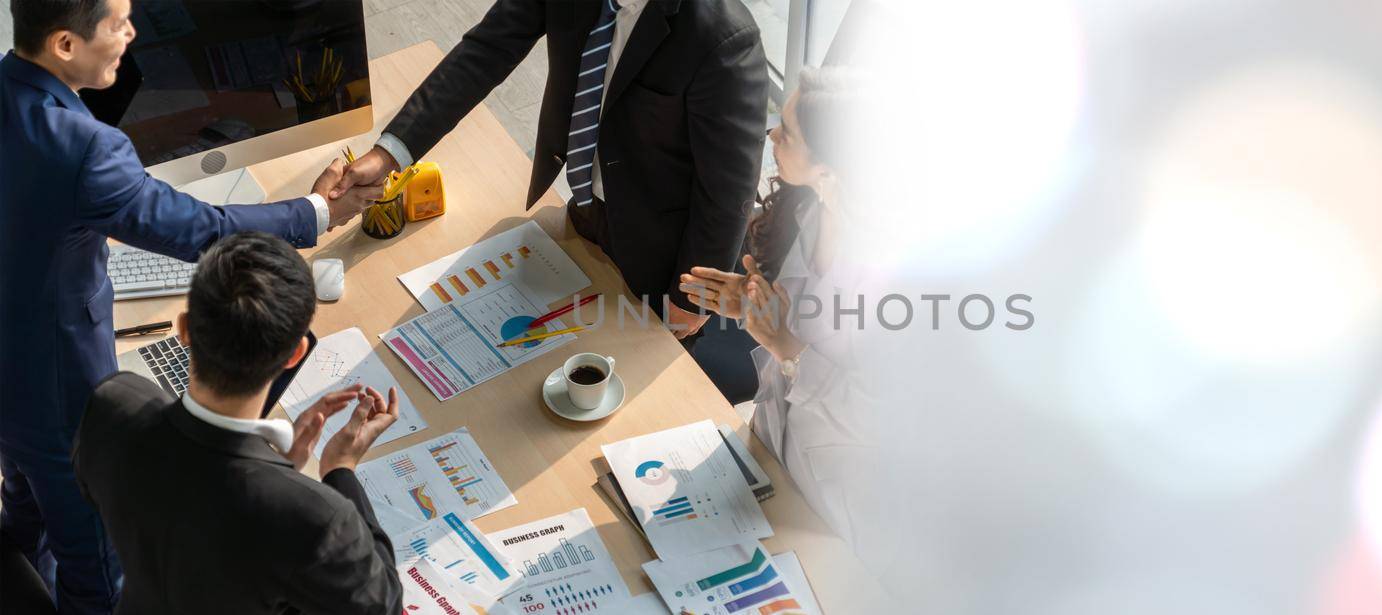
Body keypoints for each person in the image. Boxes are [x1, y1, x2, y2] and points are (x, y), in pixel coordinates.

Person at [0, 1, 376, 611]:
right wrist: (317, 212)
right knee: (94, 567)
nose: (133, 32)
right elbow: (201, 228)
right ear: (65, 44)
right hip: (55, 387)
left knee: (23, 506)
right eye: (118, 23)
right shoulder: (84, 149)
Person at [333, 0, 768, 339]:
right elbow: (486, 50)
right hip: (582, 206)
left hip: (664, 254)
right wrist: (390, 154)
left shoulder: (724, 38)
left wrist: (691, 299)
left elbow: (728, 192)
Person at [74, 233, 405, 614]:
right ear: (296, 353)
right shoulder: (317, 519)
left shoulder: (113, 403)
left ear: (184, 328)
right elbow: (382, 606)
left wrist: (277, 470)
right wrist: (340, 470)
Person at [677, 67, 879, 550]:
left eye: (786, 133)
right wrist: (750, 296)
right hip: (770, 445)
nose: (771, 135)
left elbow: (885, 413)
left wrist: (786, 346)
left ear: (829, 168)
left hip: (833, 500)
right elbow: (804, 313)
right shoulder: (810, 206)